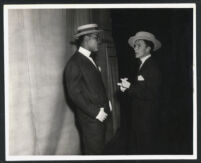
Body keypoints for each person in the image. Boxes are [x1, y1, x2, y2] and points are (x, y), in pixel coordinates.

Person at [64, 24, 112, 155]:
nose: (99, 41)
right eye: (96, 38)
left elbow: (95, 87)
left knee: (99, 151)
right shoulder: (74, 63)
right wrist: (96, 112)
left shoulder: (89, 59)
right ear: (86, 38)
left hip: (99, 118)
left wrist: (107, 103)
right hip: (91, 120)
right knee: (94, 153)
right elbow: (74, 94)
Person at [117, 31, 162, 154]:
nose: (135, 48)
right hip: (140, 119)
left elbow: (151, 94)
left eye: (139, 45)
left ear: (148, 49)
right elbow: (140, 89)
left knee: (146, 150)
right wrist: (125, 88)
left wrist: (130, 87)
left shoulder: (152, 67)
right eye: (134, 46)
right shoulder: (142, 65)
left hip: (147, 120)